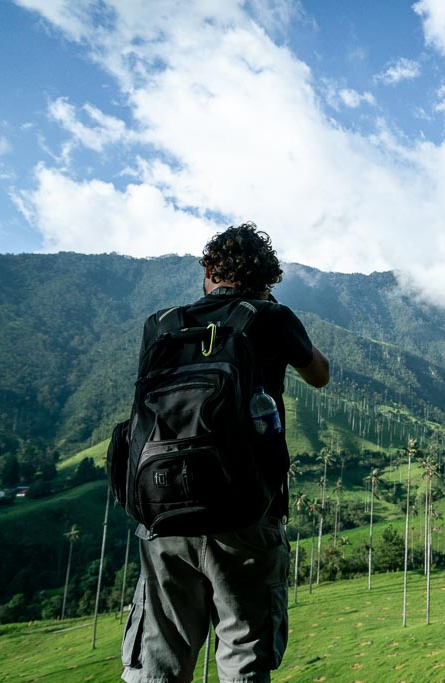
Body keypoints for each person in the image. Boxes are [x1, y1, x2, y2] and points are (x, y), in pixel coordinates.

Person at [121, 223, 329, 683]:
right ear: (266, 278)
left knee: (158, 655)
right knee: (242, 649)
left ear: (209, 268)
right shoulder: (270, 317)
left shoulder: (161, 325)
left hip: (162, 512)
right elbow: (319, 373)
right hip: (246, 512)